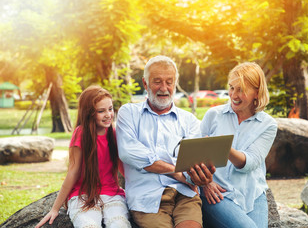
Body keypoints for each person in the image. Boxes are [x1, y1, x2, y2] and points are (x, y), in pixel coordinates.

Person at [116, 55, 215, 228]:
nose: (164, 88)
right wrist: (177, 172)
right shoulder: (129, 113)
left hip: (185, 195)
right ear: (145, 84)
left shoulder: (189, 121)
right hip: (147, 198)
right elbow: (129, 152)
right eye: (157, 81)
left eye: (169, 82)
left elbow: (194, 162)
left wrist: (203, 174)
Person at [36, 85, 131, 228]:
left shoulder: (114, 132)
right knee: (88, 225)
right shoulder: (81, 133)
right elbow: (73, 171)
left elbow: (122, 167)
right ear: (89, 113)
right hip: (83, 195)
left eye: (110, 109)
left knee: (120, 224)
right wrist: (55, 208)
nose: (108, 115)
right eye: (101, 111)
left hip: (112, 194)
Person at [200, 62, 278, 228]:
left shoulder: (268, 125)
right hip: (217, 193)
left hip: (253, 194)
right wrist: (205, 183)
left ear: (257, 92)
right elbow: (195, 158)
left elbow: (250, 163)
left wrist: (223, 147)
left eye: (241, 89)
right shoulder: (213, 115)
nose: (234, 95)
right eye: (231, 88)